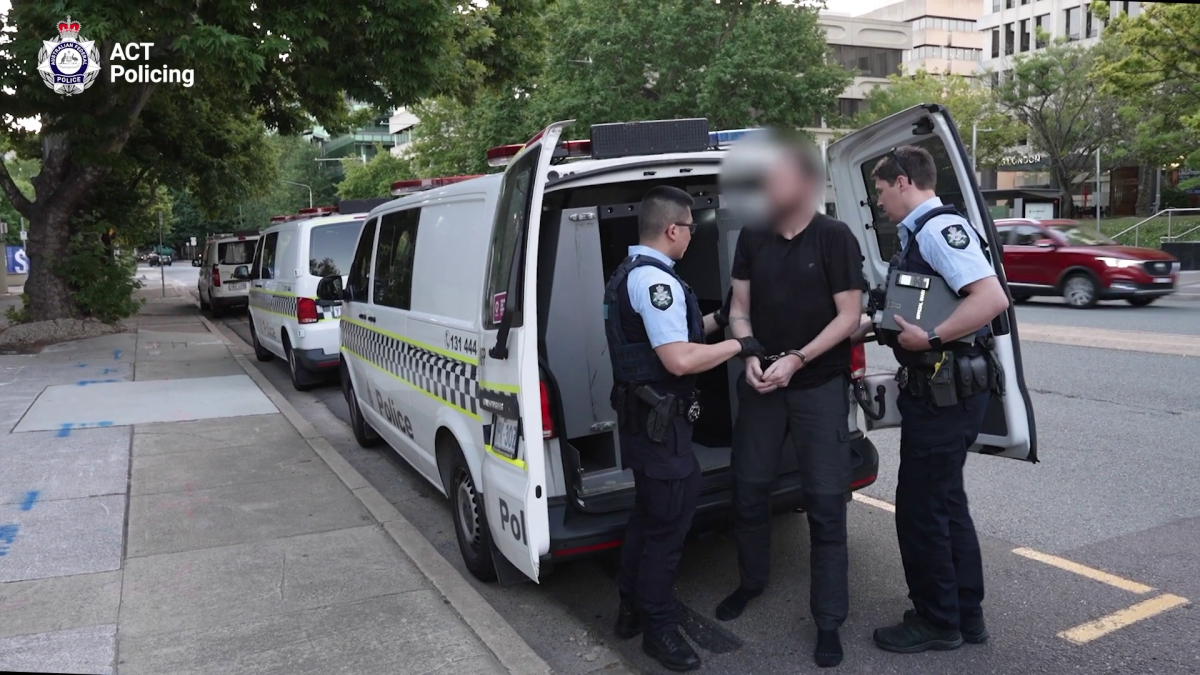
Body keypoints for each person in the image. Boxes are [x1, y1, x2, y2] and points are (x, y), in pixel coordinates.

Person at [603, 185, 763, 672]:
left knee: (648, 518)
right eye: (691, 227)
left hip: (644, 422)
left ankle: (630, 609)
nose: (693, 235)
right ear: (673, 229)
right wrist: (745, 346)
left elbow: (677, 336)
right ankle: (659, 628)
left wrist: (720, 318)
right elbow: (679, 359)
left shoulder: (629, 274)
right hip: (660, 427)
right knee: (667, 529)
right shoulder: (659, 283)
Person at [717, 142, 865, 669]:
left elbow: (849, 317)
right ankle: (751, 582)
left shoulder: (834, 238)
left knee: (826, 504)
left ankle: (829, 621)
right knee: (749, 489)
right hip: (762, 385)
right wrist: (750, 350)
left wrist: (798, 359)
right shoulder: (753, 235)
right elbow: (738, 308)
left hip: (818, 384)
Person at [867, 145, 1010, 654]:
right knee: (947, 503)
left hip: (944, 395)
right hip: (946, 392)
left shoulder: (937, 231)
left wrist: (929, 340)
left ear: (903, 182)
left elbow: (991, 299)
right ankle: (965, 613)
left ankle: (937, 620)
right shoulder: (921, 235)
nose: (879, 203)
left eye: (881, 191)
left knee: (921, 508)